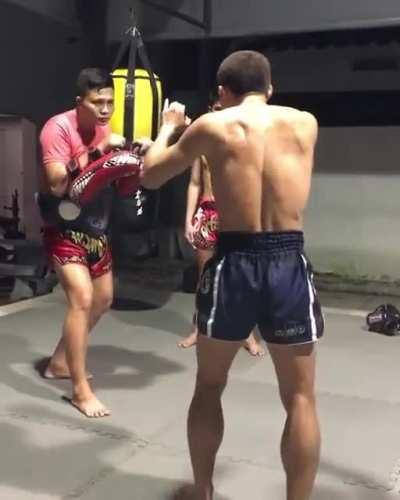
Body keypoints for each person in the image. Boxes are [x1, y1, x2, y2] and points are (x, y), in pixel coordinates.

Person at [143, 51, 324, 500]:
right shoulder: (305, 123)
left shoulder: (212, 125)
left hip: (234, 261)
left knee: (209, 384)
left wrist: (169, 124)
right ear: (270, 87)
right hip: (288, 262)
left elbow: (148, 175)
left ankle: (203, 490)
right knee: (300, 397)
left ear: (222, 92)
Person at [38, 67, 145, 418]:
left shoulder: (104, 126)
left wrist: (129, 156)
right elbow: (56, 184)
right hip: (63, 227)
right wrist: (99, 148)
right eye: (97, 102)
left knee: (103, 299)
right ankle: (80, 391)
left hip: (96, 227)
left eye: (110, 102)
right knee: (81, 299)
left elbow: (105, 176)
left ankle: (58, 363)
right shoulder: (58, 128)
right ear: (79, 102)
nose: (105, 110)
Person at [181, 145, 264, 356]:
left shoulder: (243, 143)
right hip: (207, 212)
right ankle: (199, 328)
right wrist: (188, 220)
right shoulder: (203, 146)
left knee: (240, 276)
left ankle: (246, 332)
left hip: (235, 213)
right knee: (204, 277)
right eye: (215, 108)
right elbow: (194, 182)